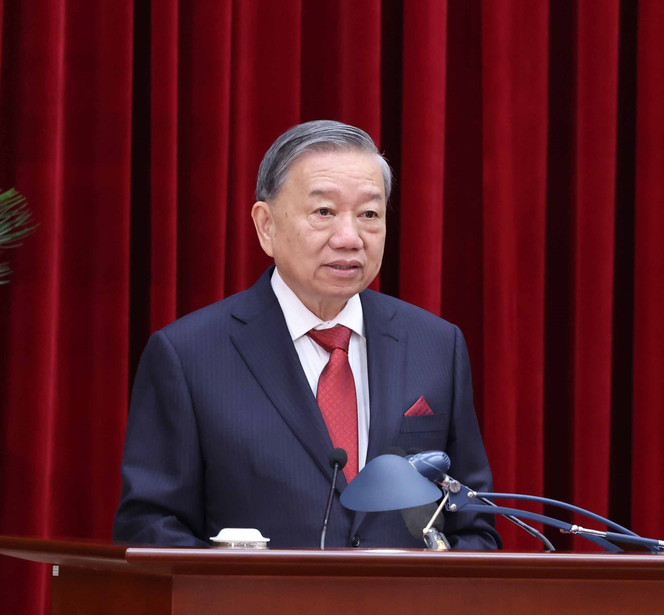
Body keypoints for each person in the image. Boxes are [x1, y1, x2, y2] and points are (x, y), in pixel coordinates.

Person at [113, 120, 500, 550]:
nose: (350, 237)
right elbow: (150, 527)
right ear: (266, 226)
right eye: (324, 213)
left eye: (369, 214)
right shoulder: (189, 355)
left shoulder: (436, 346)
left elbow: (475, 525)